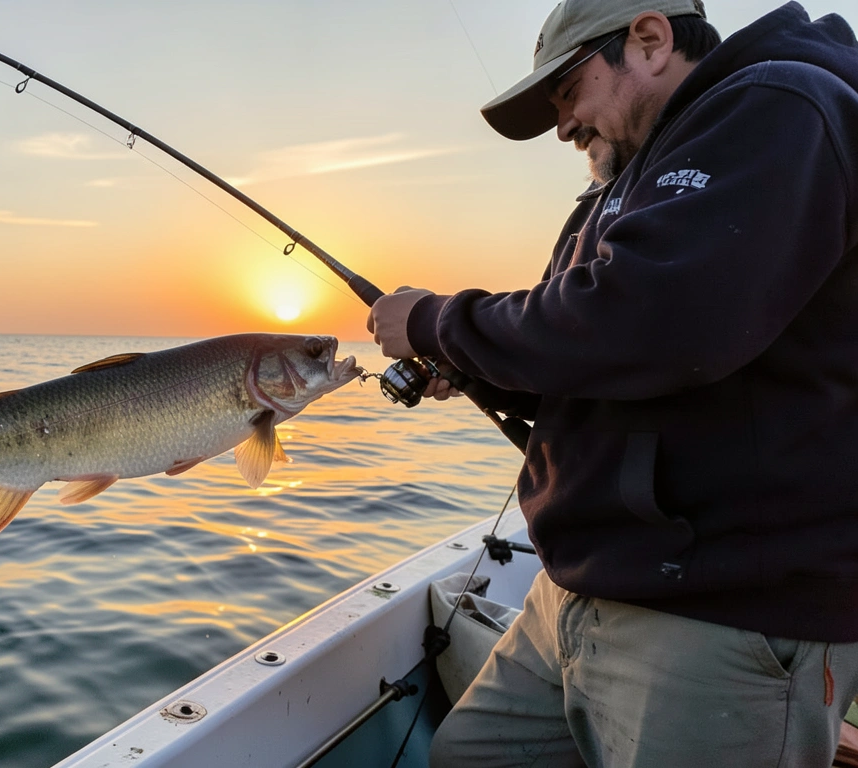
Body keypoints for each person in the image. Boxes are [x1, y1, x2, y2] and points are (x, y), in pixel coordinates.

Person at [366, 0, 858, 765]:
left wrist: (436, 322)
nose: (564, 124)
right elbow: (595, 357)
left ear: (651, 39)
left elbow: (657, 323)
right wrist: (475, 365)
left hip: (721, 612)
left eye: (568, 91)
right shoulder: (628, 181)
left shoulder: (778, 108)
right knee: (468, 754)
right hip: (576, 591)